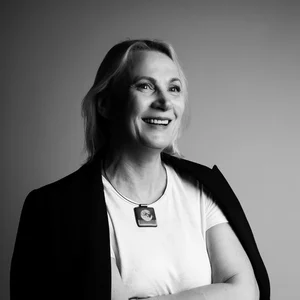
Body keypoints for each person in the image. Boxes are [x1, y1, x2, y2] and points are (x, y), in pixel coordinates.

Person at [10, 39, 270, 300]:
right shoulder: (56, 207)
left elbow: (246, 291)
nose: (165, 102)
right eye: (145, 86)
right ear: (106, 104)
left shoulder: (204, 190)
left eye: (174, 89)